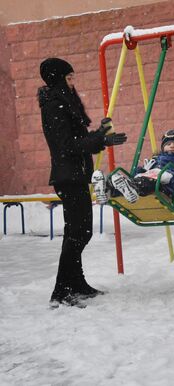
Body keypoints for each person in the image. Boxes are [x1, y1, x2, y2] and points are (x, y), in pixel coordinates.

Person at [38, 57, 128, 307]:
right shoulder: (54, 105)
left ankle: (76, 283)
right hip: (68, 177)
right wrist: (100, 139)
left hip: (76, 175)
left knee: (80, 232)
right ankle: (61, 290)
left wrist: (99, 135)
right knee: (77, 233)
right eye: (69, 78)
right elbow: (67, 146)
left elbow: (77, 139)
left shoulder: (63, 103)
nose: (73, 82)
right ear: (57, 79)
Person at [92, 129, 174, 204]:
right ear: (163, 148)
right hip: (151, 180)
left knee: (147, 183)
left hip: (168, 190)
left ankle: (130, 187)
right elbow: (137, 174)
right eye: (168, 144)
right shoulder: (155, 160)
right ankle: (108, 190)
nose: (172, 146)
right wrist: (142, 170)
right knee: (139, 179)